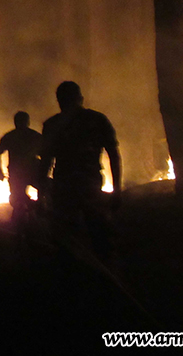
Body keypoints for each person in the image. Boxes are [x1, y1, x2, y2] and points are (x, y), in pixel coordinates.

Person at [39, 81, 122, 261]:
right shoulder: (97, 120)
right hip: (88, 183)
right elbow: (114, 155)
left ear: (59, 100)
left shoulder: (52, 124)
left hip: (64, 186)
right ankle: (104, 273)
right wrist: (117, 189)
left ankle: (73, 275)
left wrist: (40, 195)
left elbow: (46, 161)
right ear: (80, 98)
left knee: (66, 239)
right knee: (99, 234)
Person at [0, 111, 42, 239]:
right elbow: (46, 154)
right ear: (28, 121)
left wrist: (0, 171)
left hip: (18, 172)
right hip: (31, 171)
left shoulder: (10, 136)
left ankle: (25, 219)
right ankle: (32, 217)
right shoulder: (34, 136)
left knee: (17, 198)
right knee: (20, 198)